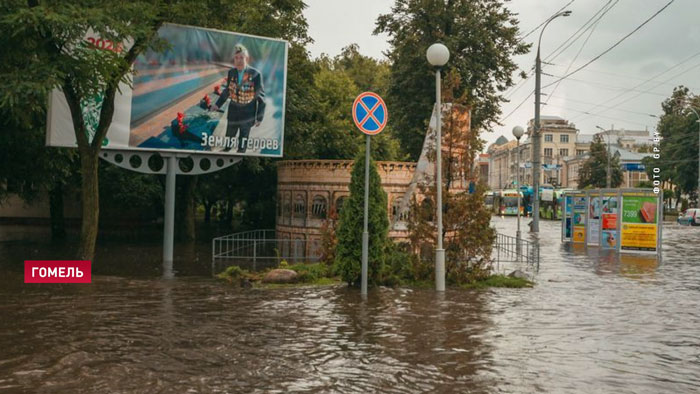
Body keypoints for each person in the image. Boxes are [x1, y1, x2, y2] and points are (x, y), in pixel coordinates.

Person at [211, 44, 265, 153]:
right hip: (233, 113)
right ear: (234, 60)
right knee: (229, 138)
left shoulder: (255, 74)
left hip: (248, 115)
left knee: (242, 144)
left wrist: (259, 117)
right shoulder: (232, 72)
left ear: (247, 59)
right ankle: (226, 150)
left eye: (241, 57)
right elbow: (228, 90)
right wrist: (217, 104)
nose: (239, 60)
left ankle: (240, 155)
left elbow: (261, 96)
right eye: (236, 58)